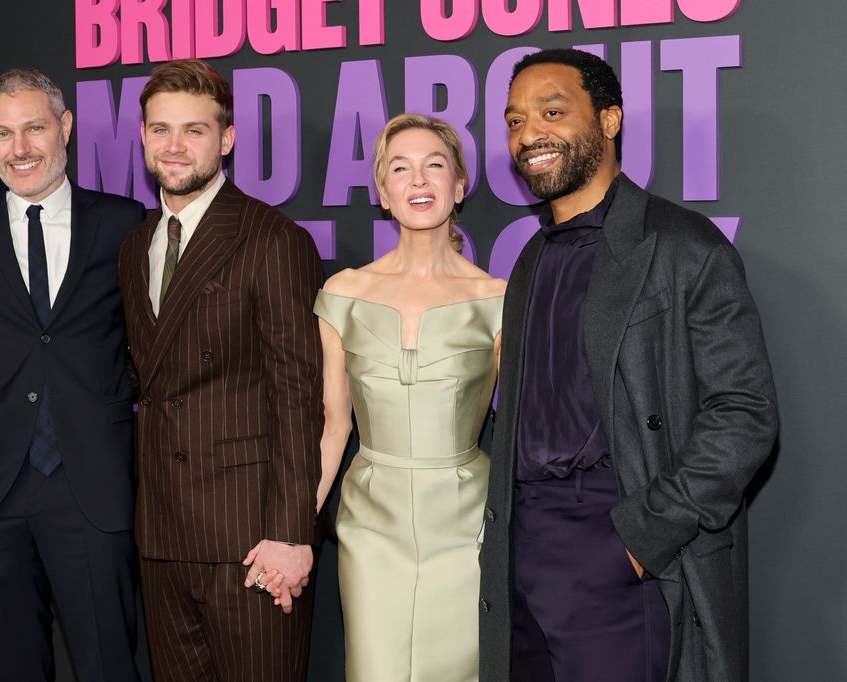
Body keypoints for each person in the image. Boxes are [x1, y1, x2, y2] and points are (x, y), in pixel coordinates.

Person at [478, 48, 778, 682]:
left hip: (617, 540)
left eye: (551, 111)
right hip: (523, 549)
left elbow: (745, 413)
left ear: (609, 120)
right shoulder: (531, 258)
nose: (528, 134)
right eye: (513, 120)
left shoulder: (682, 246)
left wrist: (643, 536)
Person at [0, 67, 144, 681]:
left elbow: (151, 352)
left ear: (64, 127)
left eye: (34, 128)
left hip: (91, 487)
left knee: (108, 666)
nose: (19, 150)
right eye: (1, 133)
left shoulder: (124, 224)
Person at [116, 59, 324, 682]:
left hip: (250, 538)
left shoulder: (272, 238)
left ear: (227, 138)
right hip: (161, 534)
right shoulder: (136, 246)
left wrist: (291, 533)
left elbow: (298, 394)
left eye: (194, 130)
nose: (174, 146)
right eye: (160, 130)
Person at [314, 113, 507, 681]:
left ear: (459, 185)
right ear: (382, 191)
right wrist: (294, 529)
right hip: (372, 521)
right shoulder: (343, 294)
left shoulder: (497, 299)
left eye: (434, 166)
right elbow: (333, 427)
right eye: (401, 168)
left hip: (467, 520)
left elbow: (524, 428)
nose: (418, 181)